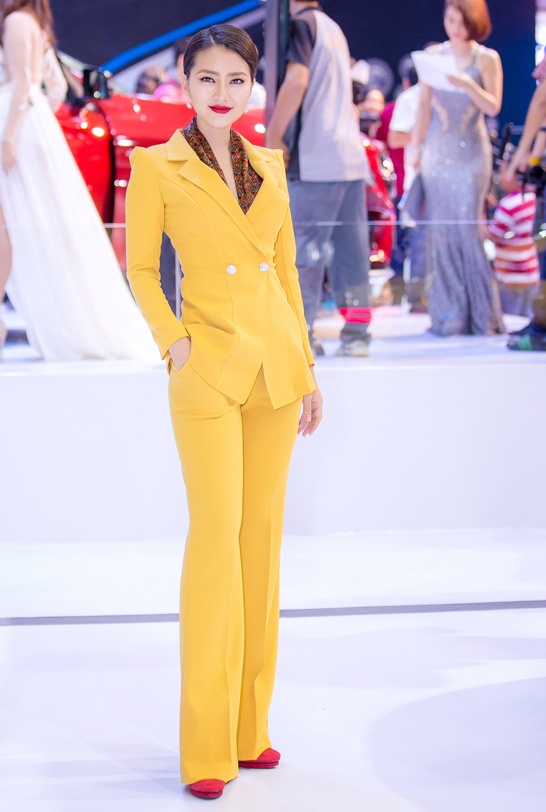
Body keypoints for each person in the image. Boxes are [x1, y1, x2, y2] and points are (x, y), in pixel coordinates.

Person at [125, 24, 323, 800]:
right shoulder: (157, 166)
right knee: (215, 546)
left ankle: (249, 728)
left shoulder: (269, 164)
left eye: (236, 80)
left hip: (276, 375)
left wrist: (307, 370)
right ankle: (207, 745)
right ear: (184, 83)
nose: (221, 93)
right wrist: (174, 342)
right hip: (207, 373)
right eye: (207, 78)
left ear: (251, 87)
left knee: (260, 549)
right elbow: (143, 269)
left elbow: (288, 277)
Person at [0, 0, 156, 360]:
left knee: (9, 226)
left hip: (13, 128)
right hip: (26, 126)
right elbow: (55, 88)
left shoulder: (16, 21)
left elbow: (23, 81)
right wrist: (38, 123)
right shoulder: (35, 23)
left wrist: (10, 137)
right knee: (23, 225)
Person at [266, 0, 373, 357]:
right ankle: (357, 335)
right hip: (347, 157)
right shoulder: (330, 27)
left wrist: (273, 134)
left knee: (303, 256)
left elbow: (297, 80)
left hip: (316, 157)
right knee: (351, 256)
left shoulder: (302, 25)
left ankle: (302, 335)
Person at [409, 0, 504, 336]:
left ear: (475, 23)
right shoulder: (433, 56)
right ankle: (449, 314)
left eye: (462, 22)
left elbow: (493, 106)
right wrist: (416, 147)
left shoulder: (487, 58)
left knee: (468, 227)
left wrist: (467, 84)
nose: (456, 28)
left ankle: (481, 314)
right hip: (437, 150)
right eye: (450, 20)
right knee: (441, 230)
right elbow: (423, 105)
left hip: (472, 152)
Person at [483, 165, 540, 317]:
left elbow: (493, 235)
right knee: (526, 317)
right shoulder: (531, 197)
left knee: (511, 320)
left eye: (502, 171)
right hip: (529, 271)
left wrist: (479, 216)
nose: (500, 177)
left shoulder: (509, 204)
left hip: (510, 274)